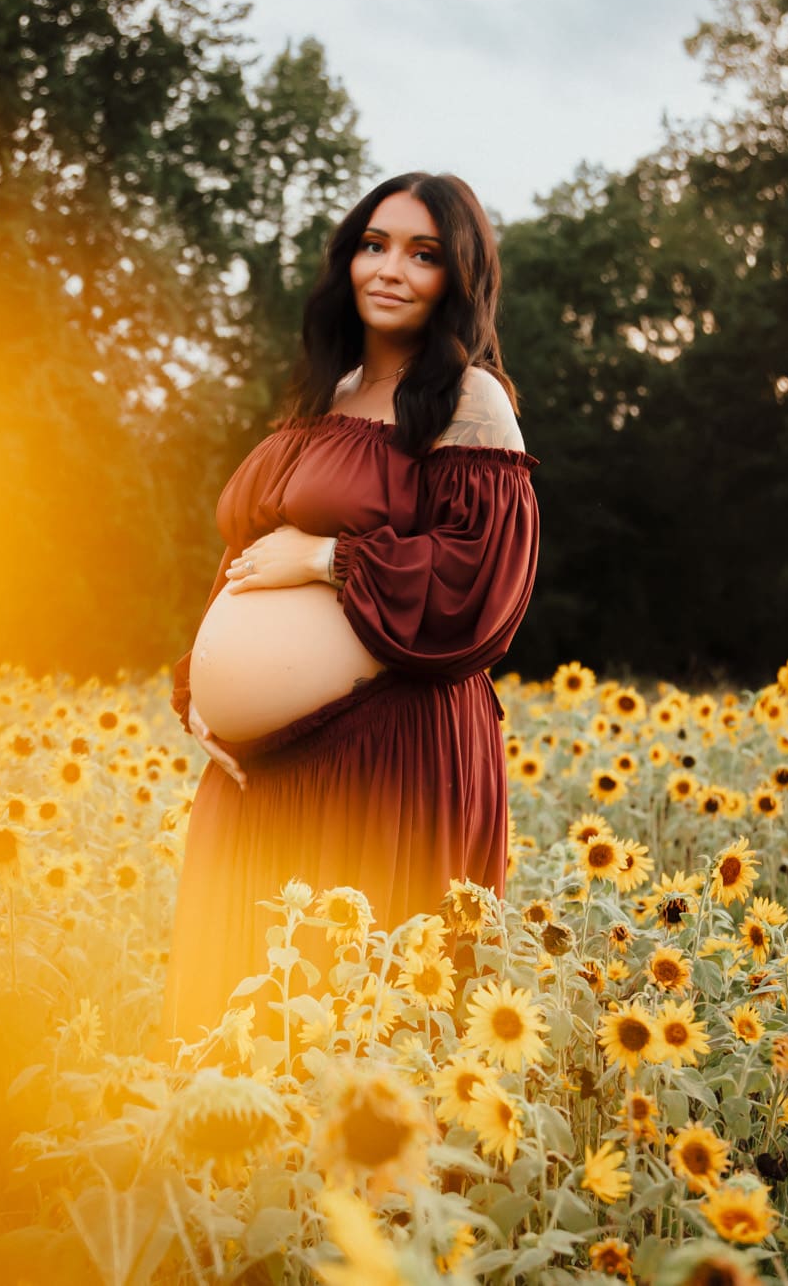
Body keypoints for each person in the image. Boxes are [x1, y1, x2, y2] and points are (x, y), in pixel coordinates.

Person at [156, 171, 542, 1056]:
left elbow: (481, 587)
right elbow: (247, 556)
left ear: (461, 276)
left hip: (387, 755)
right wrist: (205, 696)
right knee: (243, 1038)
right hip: (265, 772)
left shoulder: (470, 402)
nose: (391, 269)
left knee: (357, 1031)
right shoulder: (324, 396)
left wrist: (331, 559)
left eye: (424, 253)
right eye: (374, 245)